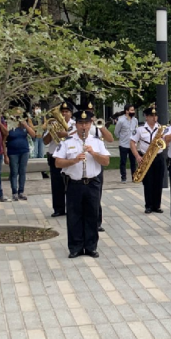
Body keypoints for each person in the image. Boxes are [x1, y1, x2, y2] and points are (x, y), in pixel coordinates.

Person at [54, 108, 109, 258]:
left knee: (92, 215)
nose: (83, 126)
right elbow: (58, 163)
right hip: (74, 183)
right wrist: (74, 160)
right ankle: (76, 247)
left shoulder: (97, 142)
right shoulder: (67, 142)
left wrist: (93, 153)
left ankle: (91, 247)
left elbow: (106, 161)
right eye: (80, 123)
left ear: (91, 124)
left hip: (92, 183)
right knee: (74, 216)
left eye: (86, 123)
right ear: (76, 125)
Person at [131, 105, 168, 214]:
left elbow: (167, 141)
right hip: (146, 156)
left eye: (155, 115)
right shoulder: (140, 129)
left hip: (158, 156)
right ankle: (149, 205)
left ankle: (157, 205)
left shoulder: (161, 129)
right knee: (148, 182)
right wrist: (137, 156)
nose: (154, 118)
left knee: (158, 181)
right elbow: (132, 143)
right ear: (146, 117)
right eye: (151, 115)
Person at [43, 102, 74, 216]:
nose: (64, 114)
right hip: (55, 157)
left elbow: (77, 137)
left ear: (71, 114)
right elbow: (45, 141)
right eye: (62, 112)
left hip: (70, 157)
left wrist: (66, 133)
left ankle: (72, 208)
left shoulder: (75, 124)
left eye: (67, 112)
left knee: (72, 184)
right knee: (56, 184)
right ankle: (58, 209)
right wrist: (52, 132)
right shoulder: (53, 124)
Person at [5, 110, 36, 202]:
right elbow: (5, 138)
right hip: (13, 152)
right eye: (15, 115)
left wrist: (26, 125)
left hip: (24, 151)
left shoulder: (23, 126)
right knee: (14, 172)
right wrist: (5, 154)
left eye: (19, 116)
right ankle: (14, 192)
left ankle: (21, 191)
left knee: (22, 171)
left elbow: (34, 135)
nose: (17, 117)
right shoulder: (9, 126)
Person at [115, 104, 138, 183]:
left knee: (133, 162)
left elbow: (136, 131)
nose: (133, 112)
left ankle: (134, 177)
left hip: (132, 145)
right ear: (127, 111)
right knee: (123, 162)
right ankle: (123, 177)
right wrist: (121, 138)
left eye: (133, 110)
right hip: (123, 144)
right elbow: (116, 132)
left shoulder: (135, 120)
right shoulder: (121, 120)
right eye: (131, 110)